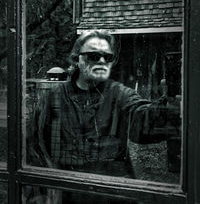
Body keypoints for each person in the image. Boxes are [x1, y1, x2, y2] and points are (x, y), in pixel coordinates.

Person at [28, 30, 168, 179]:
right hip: (67, 189)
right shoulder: (54, 97)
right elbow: (34, 145)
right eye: (93, 56)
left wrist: (167, 105)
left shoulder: (119, 95)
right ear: (76, 59)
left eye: (108, 57)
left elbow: (143, 118)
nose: (102, 61)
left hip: (109, 190)